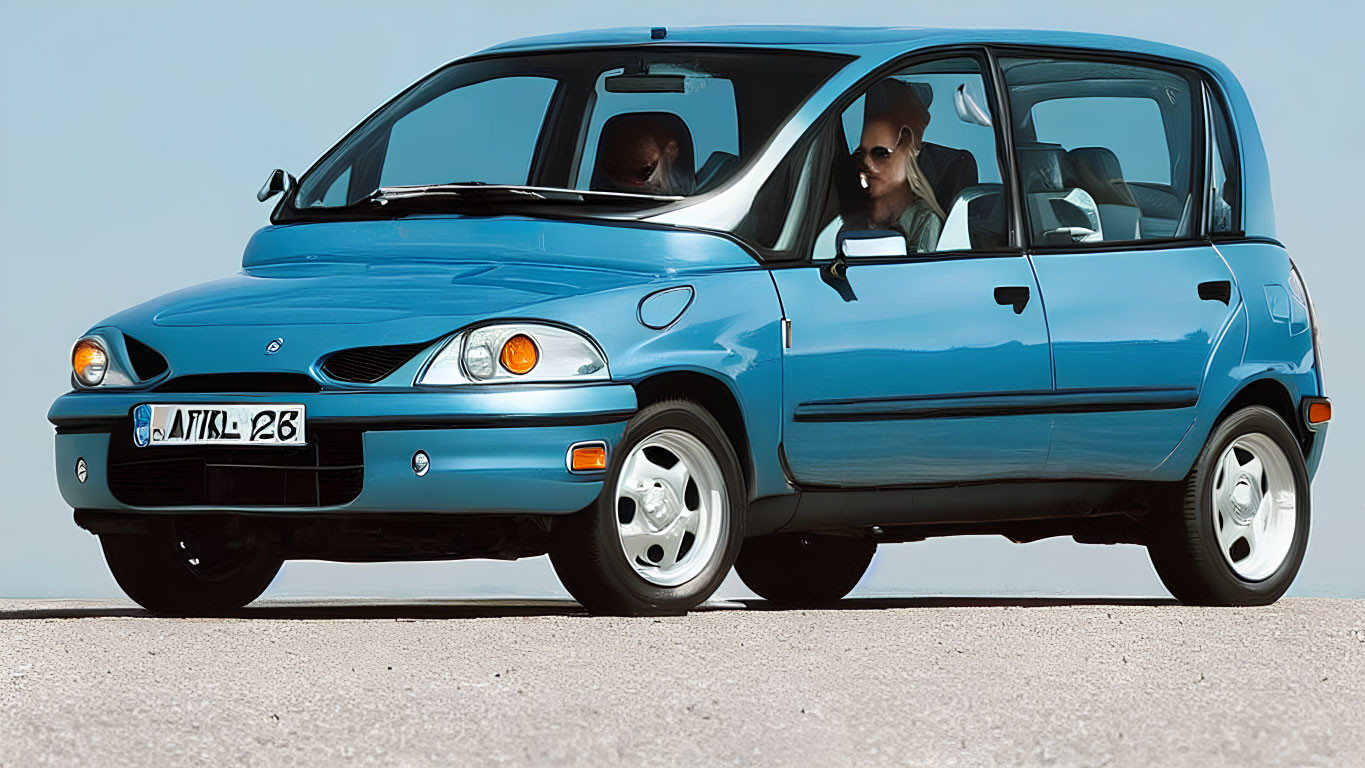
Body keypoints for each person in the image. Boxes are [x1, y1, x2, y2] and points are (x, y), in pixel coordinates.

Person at [849, 80, 944, 253]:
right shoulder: (850, 211)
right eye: (862, 153)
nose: (867, 164)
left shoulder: (923, 220)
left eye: (881, 153)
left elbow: (918, 275)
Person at [594, 113, 696, 196]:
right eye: (616, 168)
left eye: (644, 172)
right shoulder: (598, 188)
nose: (631, 181)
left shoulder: (701, 190)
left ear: (671, 150)